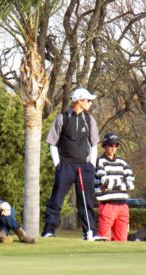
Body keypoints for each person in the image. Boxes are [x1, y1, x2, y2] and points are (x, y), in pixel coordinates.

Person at [42, 88, 100, 240]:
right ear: (79, 100)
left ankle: (89, 232)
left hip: (85, 167)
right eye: (88, 100)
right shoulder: (62, 118)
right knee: (56, 200)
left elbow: (94, 144)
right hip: (65, 166)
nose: (90, 103)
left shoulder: (89, 120)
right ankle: (49, 231)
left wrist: (91, 165)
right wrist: (58, 165)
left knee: (85, 201)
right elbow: (52, 143)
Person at [94, 132, 135, 241]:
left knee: (122, 240)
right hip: (107, 205)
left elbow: (131, 184)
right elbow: (105, 181)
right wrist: (121, 183)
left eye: (116, 145)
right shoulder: (99, 162)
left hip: (123, 206)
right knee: (104, 238)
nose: (113, 148)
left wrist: (112, 184)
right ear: (105, 145)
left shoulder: (123, 163)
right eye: (111, 145)